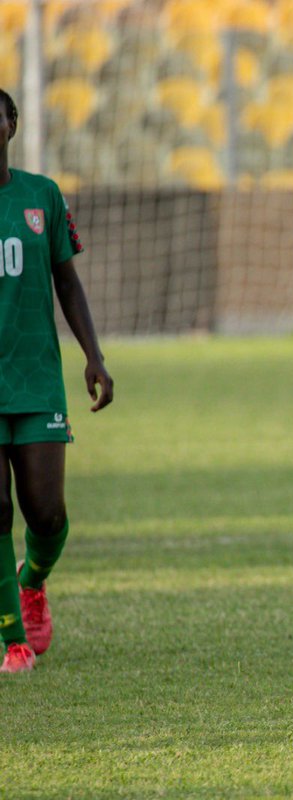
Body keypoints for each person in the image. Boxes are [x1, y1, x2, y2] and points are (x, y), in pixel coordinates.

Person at [0, 88, 114, 673]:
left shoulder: (39, 194)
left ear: (10, 125)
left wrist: (93, 356)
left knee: (45, 513)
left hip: (36, 378)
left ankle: (33, 580)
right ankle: (13, 639)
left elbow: (66, 282)